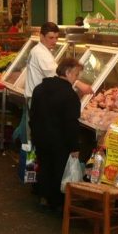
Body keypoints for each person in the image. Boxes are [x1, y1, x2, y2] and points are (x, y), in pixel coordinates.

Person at [29, 57, 82, 210]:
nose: (76, 78)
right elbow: (71, 124)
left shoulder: (39, 89)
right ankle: (56, 202)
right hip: (59, 141)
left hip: (40, 137)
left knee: (44, 165)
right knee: (58, 169)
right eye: (76, 74)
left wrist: (34, 134)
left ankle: (43, 196)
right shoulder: (70, 96)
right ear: (68, 72)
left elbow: (33, 114)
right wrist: (75, 147)